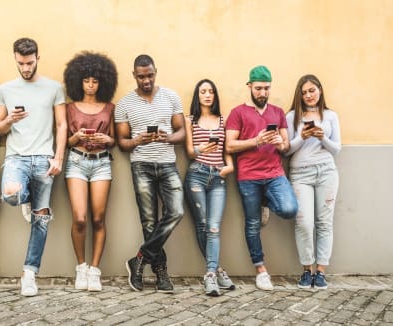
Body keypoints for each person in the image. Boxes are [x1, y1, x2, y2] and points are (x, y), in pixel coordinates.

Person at [0, 37, 67, 296]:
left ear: (38, 58)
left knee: (41, 219)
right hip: (17, 159)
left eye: (29, 62)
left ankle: (29, 273)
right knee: (11, 195)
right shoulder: (5, 89)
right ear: (15, 59)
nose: (25, 68)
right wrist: (9, 120)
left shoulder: (54, 88)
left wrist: (58, 157)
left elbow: (61, 125)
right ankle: (24, 195)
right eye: (21, 63)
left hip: (45, 159)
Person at [116, 54, 185, 293]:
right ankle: (161, 273)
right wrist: (137, 140)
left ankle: (139, 258)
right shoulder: (125, 103)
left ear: (156, 72)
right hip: (141, 164)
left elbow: (182, 132)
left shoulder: (171, 96)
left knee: (176, 211)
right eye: (141, 76)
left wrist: (168, 137)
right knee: (148, 221)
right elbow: (122, 143)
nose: (146, 80)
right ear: (134, 75)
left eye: (150, 75)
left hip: (167, 163)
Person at [225, 65, 298, 291]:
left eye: (266, 88)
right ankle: (261, 270)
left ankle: (267, 201)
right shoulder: (237, 113)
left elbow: (286, 146)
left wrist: (280, 143)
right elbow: (230, 145)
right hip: (248, 177)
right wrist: (255, 141)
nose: (263, 93)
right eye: (258, 88)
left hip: (275, 174)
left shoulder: (277, 112)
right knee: (252, 223)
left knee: (289, 209)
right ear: (249, 86)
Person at [63, 51, 118, 292]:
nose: (91, 85)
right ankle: (81, 267)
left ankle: (95, 270)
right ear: (78, 81)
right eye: (86, 80)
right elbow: (65, 141)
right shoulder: (70, 107)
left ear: (102, 82)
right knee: (80, 218)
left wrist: (107, 138)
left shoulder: (109, 107)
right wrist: (75, 137)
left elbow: (115, 139)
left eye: (95, 80)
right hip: (76, 161)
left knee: (98, 219)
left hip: (102, 163)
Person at [285, 74, 341, 290]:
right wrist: (303, 136)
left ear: (320, 90)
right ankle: (306, 270)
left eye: (312, 90)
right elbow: (287, 150)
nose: (308, 95)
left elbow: (336, 148)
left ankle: (321, 272)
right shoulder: (292, 116)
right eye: (304, 92)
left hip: (327, 171)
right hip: (300, 174)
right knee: (304, 223)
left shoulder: (330, 115)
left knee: (325, 223)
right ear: (299, 94)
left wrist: (321, 137)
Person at [183, 79, 236, 296]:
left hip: (218, 177)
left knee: (213, 227)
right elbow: (188, 152)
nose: (207, 95)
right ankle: (215, 273)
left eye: (211, 92)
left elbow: (227, 150)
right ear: (198, 95)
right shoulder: (190, 120)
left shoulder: (223, 120)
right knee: (203, 224)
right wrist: (200, 148)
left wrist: (229, 166)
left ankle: (212, 273)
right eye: (203, 91)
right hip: (197, 173)